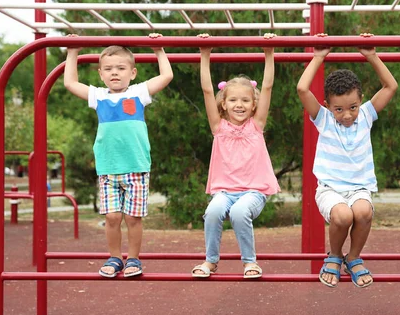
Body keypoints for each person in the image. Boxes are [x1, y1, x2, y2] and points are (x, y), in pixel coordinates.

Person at [63, 33, 173, 278]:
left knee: (133, 218)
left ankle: (133, 259)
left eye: (121, 68)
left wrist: (158, 49)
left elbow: (166, 75)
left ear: (132, 73)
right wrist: (72, 52)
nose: (115, 73)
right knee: (112, 217)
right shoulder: (99, 96)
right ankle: (114, 258)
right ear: (101, 74)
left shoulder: (138, 93)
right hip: (108, 169)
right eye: (109, 69)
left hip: (136, 167)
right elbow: (70, 83)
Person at [297, 33, 398, 288]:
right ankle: (333, 255)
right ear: (328, 106)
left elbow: (391, 87)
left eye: (352, 107)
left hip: (359, 188)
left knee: (363, 212)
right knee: (342, 216)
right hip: (330, 188)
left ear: (360, 101)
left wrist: (371, 55)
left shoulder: (366, 115)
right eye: (339, 109)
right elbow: (302, 89)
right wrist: (319, 56)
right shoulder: (324, 120)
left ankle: (353, 257)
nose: (346, 115)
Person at [191, 32, 280, 279]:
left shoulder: (256, 125)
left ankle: (250, 262)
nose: (238, 105)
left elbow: (268, 86)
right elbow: (207, 91)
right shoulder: (218, 127)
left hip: (254, 191)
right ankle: (210, 261)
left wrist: (269, 53)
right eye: (232, 100)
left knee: (240, 213)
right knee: (212, 212)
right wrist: (205, 55)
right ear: (224, 104)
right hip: (225, 191)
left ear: (253, 105)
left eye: (244, 100)